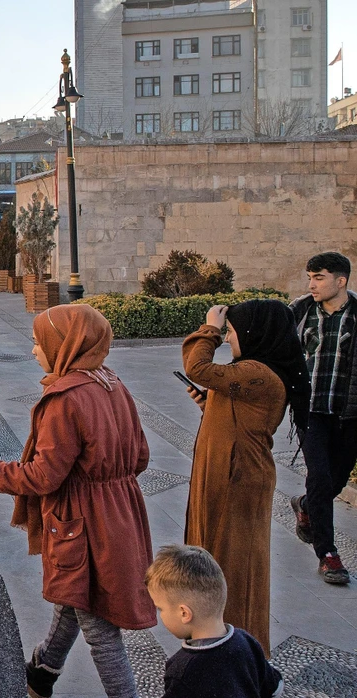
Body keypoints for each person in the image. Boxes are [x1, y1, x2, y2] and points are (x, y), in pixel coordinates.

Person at [0, 304, 155, 698]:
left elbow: (42, 475)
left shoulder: (65, 399)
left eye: (38, 342)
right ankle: (41, 673)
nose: (33, 350)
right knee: (74, 597)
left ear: (63, 344)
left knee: (99, 629)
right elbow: (140, 458)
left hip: (81, 524)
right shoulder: (112, 384)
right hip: (122, 514)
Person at [182, 300, 308, 652]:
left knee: (234, 565)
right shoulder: (252, 374)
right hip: (227, 470)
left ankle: (239, 649)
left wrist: (210, 328)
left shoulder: (258, 373)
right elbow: (245, 419)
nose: (229, 339)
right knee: (216, 556)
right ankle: (216, 638)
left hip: (237, 477)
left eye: (232, 332)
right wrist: (212, 405)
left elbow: (198, 366)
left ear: (255, 334)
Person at [289, 252, 356, 586]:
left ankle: (305, 505)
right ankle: (328, 554)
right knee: (319, 477)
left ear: (340, 280)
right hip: (311, 411)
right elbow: (277, 346)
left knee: (336, 481)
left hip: (349, 414)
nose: (311, 284)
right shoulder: (300, 312)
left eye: (319, 277)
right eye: (310, 277)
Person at [146, 545, 283, 698]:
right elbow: (275, 688)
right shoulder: (247, 642)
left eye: (160, 608)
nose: (160, 615)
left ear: (184, 613)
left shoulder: (182, 670)